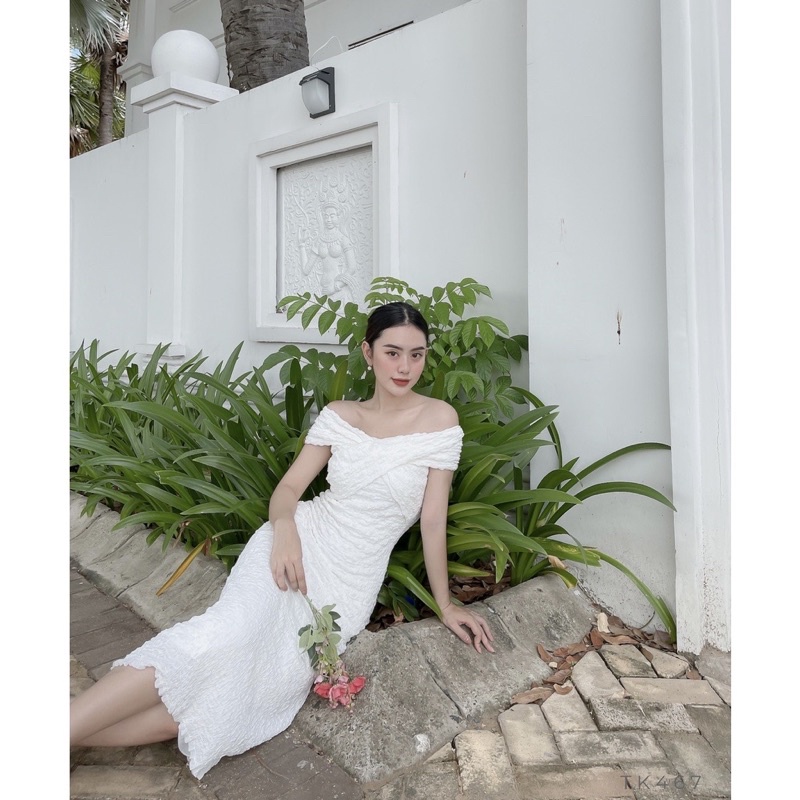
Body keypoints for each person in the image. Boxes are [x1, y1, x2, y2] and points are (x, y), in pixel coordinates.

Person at [70, 301, 495, 779]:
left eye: (416, 355)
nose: (404, 367)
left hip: (347, 585)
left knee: (242, 695)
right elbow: (288, 490)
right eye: (392, 352)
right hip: (295, 542)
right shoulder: (341, 416)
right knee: (225, 635)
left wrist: (445, 604)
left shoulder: (440, 420)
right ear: (368, 353)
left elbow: (432, 521)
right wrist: (286, 531)